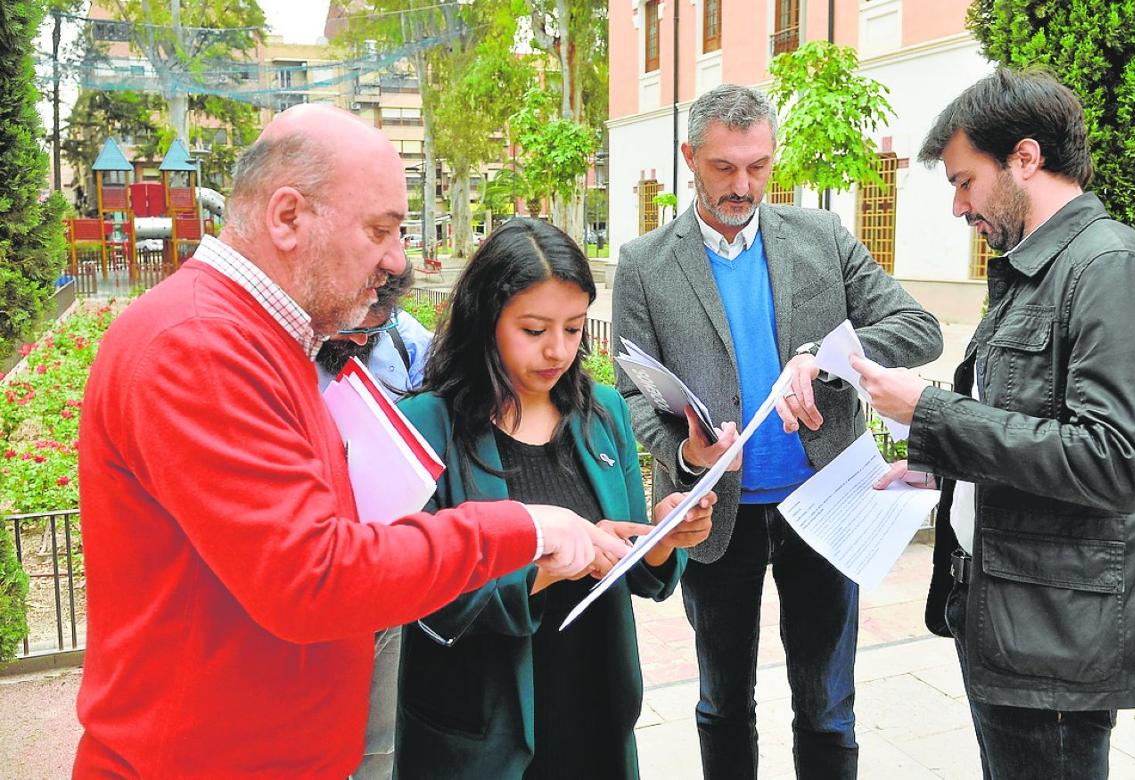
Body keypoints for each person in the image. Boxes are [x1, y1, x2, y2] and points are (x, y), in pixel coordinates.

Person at [74, 105, 629, 778]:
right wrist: (515, 528)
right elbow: (311, 578)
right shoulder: (199, 346)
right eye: (379, 230)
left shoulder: (263, 340)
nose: (396, 259)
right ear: (287, 217)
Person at [858, 68, 1135, 779]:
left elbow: (1117, 461)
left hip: (1059, 635)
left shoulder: (1112, 269)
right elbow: (1028, 423)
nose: (956, 206)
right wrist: (937, 461)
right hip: (1012, 615)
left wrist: (931, 412)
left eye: (965, 180)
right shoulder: (1040, 268)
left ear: (1026, 158)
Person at [612, 84, 943, 779]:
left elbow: (919, 329)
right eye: (724, 167)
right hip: (713, 514)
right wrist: (681, 448)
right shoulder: (644, 263)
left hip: (826, 503)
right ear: (689, 158)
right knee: (723, 702)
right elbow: (629, 392)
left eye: (758, 166)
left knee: (826, 705)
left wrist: (821, 359)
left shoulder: (822, 239)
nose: (743, 185)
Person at [393, 217, 715, 779]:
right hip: (482, 716)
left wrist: (663, 537)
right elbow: (420, 592)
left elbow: (634, 567)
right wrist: (548, 564)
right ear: (486, 321)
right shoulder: (430, 425)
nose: (557, 351)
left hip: (592, 696)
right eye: (535, 329)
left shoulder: (602, 413)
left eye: (573, 329)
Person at [313, 261, 432, 780]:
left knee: (381, 742)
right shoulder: (289, 352)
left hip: (391, 559)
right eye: (355, 325)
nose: (362, 340)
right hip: (322, 566)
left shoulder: (406, 340)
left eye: (375, 327)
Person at [315, 260, 431, 398]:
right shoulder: (291, 347)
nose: (361, 341)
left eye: (375, 329)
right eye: (348, 328)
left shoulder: (409, 338)